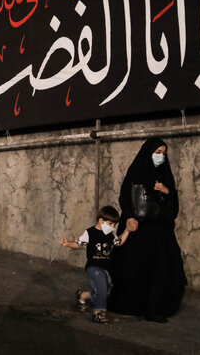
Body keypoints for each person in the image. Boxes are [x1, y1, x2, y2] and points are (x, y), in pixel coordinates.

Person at [108, 137, 187, 323]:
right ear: (148, 152)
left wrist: (167, 191)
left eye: (163, 154)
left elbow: (173, 205)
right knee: (135, 268)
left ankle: (153, 309)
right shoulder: (136, 171)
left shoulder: (165, 174)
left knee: (161, 269)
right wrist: (129, 217)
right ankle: (132, 305)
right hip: (138, 229)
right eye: (157, 152)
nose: (160, 157)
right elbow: (125, 197)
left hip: (160, 231)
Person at [60, 205, 135, 323]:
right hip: (94, 267)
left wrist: (127, 231)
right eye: (110, 224)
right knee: (101, 286)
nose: (113, 227)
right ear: (101, 220)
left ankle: (83, 295)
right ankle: (98, 313)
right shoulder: (90, 232)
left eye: (114, 224)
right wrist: (67, 243)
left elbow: (119, 242)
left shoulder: (111, 235)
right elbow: (79, 243)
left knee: (106, 290)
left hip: (106, 268)